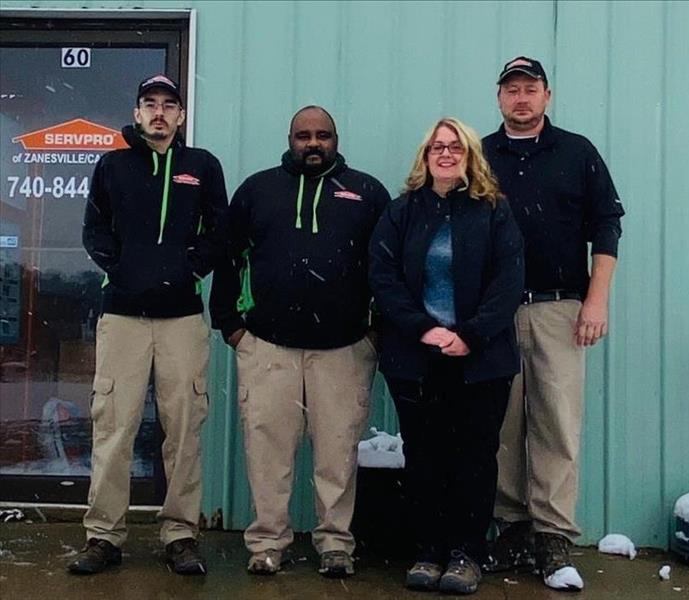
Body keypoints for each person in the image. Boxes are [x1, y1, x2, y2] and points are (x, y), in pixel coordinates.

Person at [209, 106, 390, 578]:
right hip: (268, 346)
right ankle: (268, 542)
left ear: (336, 139)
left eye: (323, 136)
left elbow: (387, 267)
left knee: (338, 451)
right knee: (267, 450)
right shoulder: (258, 190)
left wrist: (376, 330)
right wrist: (231, 325)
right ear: (290, 139)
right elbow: (229, 260)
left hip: (345, 348)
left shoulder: (367, 193)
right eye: (304, 136)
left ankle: (335, 544)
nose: (314, 144)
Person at [69, 74, 228, 576]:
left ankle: (180, 535)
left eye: (168, 106)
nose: (159, 113)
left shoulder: (201, 167)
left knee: (184, 429)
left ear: (180, 116)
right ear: (137, 113)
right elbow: (94, 228)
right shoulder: (112, 165)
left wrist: (188, 269)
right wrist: (123, 270)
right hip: (123, 317)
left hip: (182, 318)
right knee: (114, 426)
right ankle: (104, 536)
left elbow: (219, 231)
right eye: (149, 104)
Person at [482, 56, 625, 591]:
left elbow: (606, 227)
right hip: (493, 312)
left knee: (556, 424)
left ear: (547, 96)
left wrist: (596, 301)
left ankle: (553, 536)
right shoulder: (480, 155)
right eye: (512, 90)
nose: (521, 98)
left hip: (560, 308)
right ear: (499, 98)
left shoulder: (577, 153)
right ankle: (513, 528)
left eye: (531, 89)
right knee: (501, 425)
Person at [369, 118, 524, 595]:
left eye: (455, 147)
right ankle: (429, 551)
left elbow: (508, 280)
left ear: (470, 156)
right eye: (437, 146)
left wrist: (470, 335)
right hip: (418, 357)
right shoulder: (402, 212)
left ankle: (466, 554)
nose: (445, 153)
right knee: (426, 456)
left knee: (474, 457)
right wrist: (424, 329)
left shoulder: (493, 211)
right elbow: (383, 275)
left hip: (481, 359)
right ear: (425, 155)